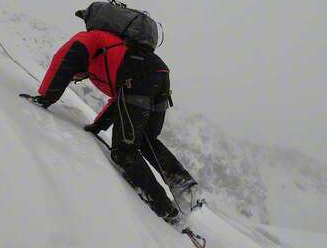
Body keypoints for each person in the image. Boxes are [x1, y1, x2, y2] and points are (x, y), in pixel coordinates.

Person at [28, 22, 199, 224]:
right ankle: (186, 188)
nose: (77, 78)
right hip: (159, 73)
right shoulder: (109, 52)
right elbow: (118, 101)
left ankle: (165, 210)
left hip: (137, 72)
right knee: (144, 138)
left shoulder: (87, 40)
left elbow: (63, 61)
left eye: (77, 76)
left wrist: (45, 98)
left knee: (124, 151)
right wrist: (97, 126)